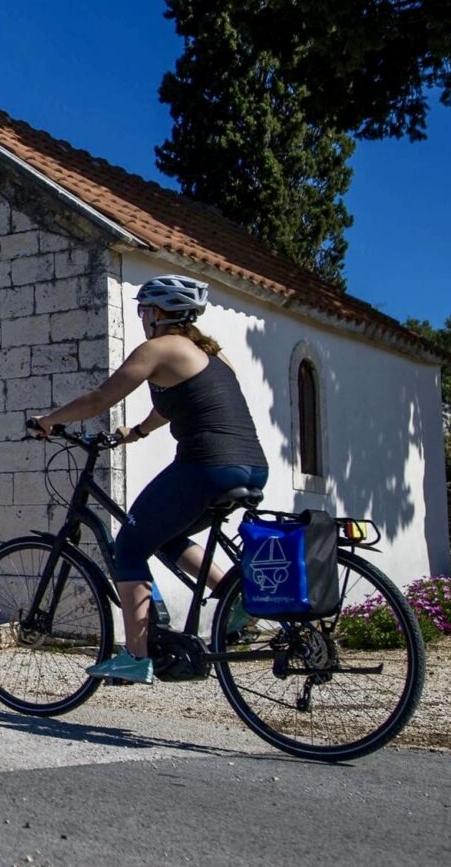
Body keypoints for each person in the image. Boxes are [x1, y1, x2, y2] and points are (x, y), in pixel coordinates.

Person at [29, 275, 268, 685]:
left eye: (144, 311)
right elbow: (181, 405)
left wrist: (49, 421)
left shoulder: (158, 348)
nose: (142, 319)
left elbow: (100, 397)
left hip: (206, 464)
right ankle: (235, 596)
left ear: (157, 314)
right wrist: (134, 433)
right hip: (250, 465)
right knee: (164, 536)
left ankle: (135, 657)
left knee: (130, 543)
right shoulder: (207, 354)